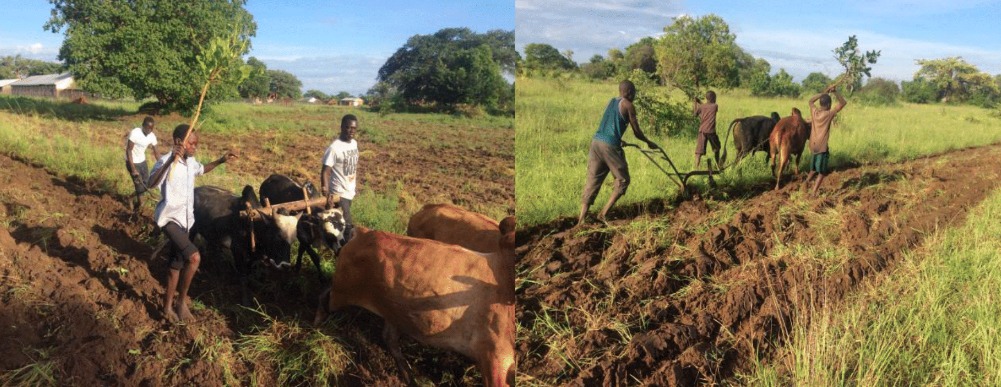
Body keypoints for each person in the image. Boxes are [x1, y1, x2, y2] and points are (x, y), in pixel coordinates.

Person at [146, 125, 237, 323]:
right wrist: (170, 159)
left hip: (187, 221)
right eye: (192, 143)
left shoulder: (191, 163)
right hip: (169, 219)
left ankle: (166, 308)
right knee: (194, 258)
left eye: (197, 144)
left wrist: (221, 160)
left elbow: (203, 169)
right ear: (179, 142)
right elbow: (151, 183)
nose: (195, 147)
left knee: (175, 265)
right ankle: (181, 302)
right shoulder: (165, 161)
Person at [578, 80, 659, 227]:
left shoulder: (611, 101)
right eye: (633, 93)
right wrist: (648, 142)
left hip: (596, 142)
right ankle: (603, 214)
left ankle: (581, 219)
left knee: (592, 180)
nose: (634, 96)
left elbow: (610, 123)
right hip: (609, 145)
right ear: (629, 93)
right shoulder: (628, 105)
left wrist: (617, 139)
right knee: (623, 179)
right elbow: (637, 132)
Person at [321, 114, 359, 242]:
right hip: (339, 193)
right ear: (342, 127)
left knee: (340, 225)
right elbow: (325, 171)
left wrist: (354, 186)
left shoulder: (354, 144)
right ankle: (345, 253)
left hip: (349, 191)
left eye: (354, 128)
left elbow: (351, 167)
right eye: (348, 128)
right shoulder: (334, 148)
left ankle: (338, 244)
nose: (351, 131)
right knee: (348, 225)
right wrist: (325, 191)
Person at [804, 86, 847, 195]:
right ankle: (813, 192)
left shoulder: (814, 112)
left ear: (820, 104)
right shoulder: (829, 114)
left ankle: (806, 182)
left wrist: (823, 92)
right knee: (822, 172)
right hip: (822, 147)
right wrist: (835, 91)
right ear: (828, 105)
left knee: (813, 168)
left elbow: (810, 101)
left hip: (812, 145)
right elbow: (843, 103)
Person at [125, 116, 160, 215]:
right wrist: (133, 169)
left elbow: (156, 152)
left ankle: (131, 198)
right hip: (132, 162)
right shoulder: (135, 133)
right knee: (139, 185)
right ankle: (141, 207)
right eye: (147, 127)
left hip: (142, 161)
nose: (149, 130)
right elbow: (128, 150)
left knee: (147, 184)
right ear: (143, 125)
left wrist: (163, 164)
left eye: (151, 128)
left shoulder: (152, 136)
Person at [693, 91, 721, 170]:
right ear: (713, 98)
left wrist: (695, 104)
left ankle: (696, 167)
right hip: (711, 132)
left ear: (706, 98)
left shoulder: (701, 106)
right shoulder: (715, 106)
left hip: (702, 131)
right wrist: (699, 102)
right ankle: (718, 165)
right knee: (717, 148)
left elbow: (695, 114)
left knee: (699, 152)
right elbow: (708, 106)